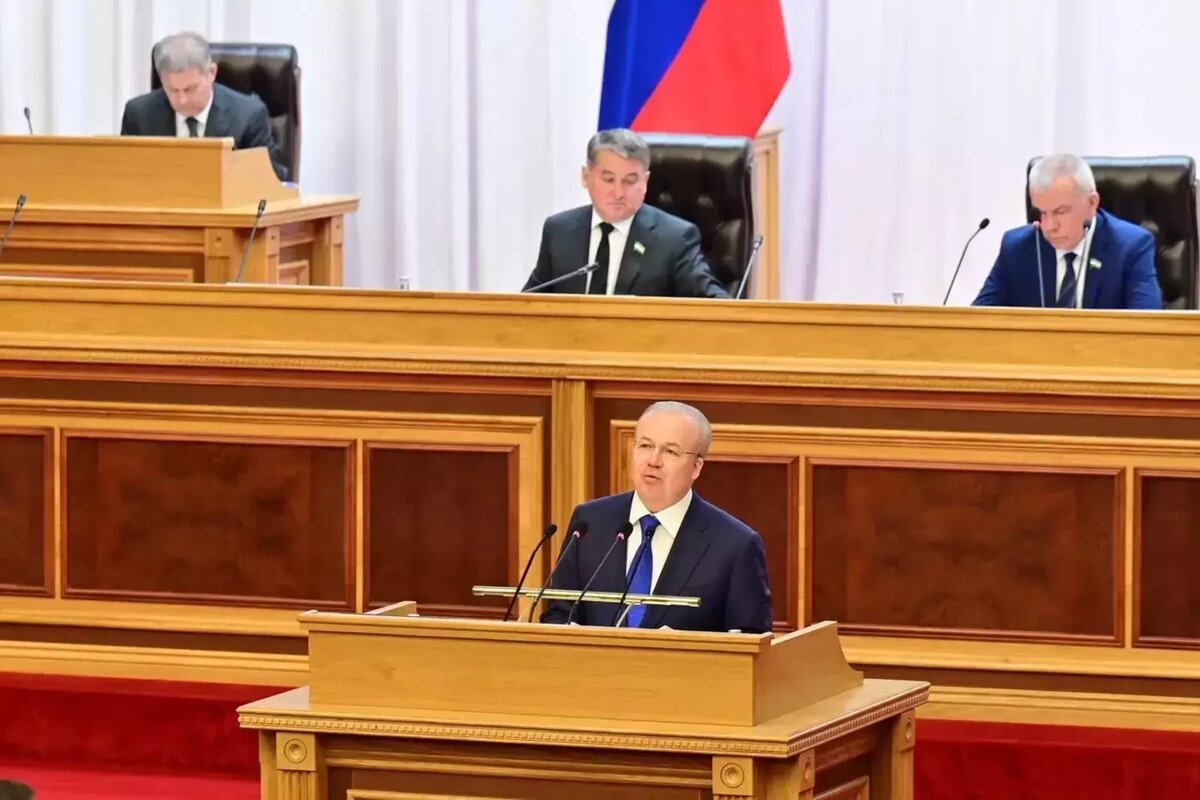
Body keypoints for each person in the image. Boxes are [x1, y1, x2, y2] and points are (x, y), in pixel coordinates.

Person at [540, 401, 771, 633]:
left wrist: (686, 648)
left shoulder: (735, 545)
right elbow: (557, 613)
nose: (653, 461)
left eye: (670, 451)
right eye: (645, 446)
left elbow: (751, 643)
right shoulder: (590, 522)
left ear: (696, 467)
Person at [522, 129, 730, 298]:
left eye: (630, 181)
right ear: (586, 176)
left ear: (645, 182)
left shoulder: (674, 239)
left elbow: (714, 305)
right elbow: (527, 306)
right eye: (608, 179)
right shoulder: (559, 231)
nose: (618, 192)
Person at [973, 154, 1162, 309]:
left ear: (1092, 203)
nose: (1049, 226)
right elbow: (976, 324)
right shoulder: (1017, 247)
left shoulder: (1131, 247)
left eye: (1060, 212)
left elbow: (1147, 328)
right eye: (1041, 212)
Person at [120, 31, 288, 181]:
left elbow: (273, 179)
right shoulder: (139, 114)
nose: (182, 100)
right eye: (172, 90)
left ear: (211, 73)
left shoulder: (248, 115)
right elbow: (123, 178)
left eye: (190, 89)